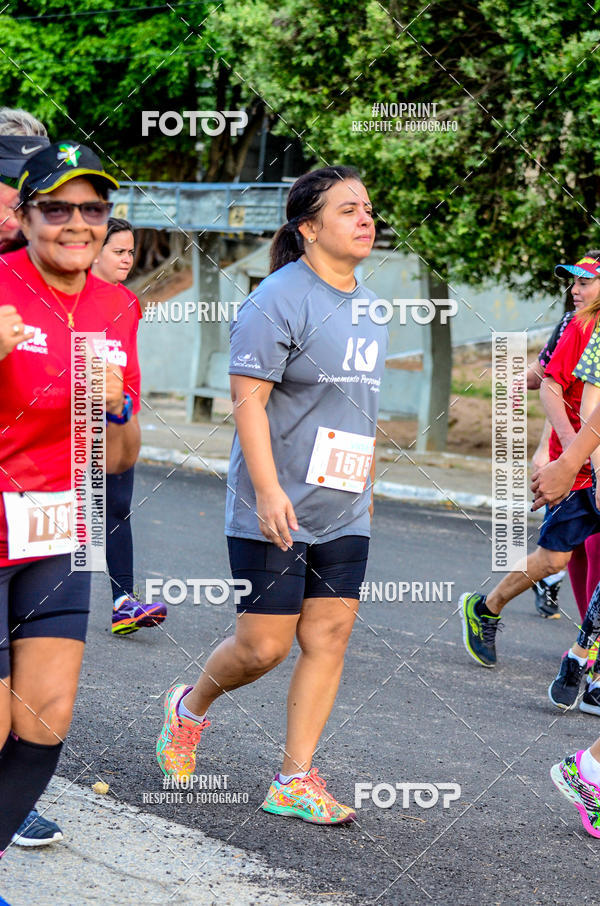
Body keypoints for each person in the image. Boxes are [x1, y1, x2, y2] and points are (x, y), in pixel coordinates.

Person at [156, 165, 387, 824]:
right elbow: (248, 404)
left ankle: (294, 777)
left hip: (343, 503)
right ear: (308, 228)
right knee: (264, 647)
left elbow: (360, 406)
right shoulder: (276, 300)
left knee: (331, 637)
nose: (365, 218)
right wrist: (264, 489)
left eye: (367, 207)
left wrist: (365, 481)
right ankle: (188, 708)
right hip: (275, 503)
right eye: (348, 210)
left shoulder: (371, 306)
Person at [0, 141, 141, 857]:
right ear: (24, 216)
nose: (77, 222)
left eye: (93, 208)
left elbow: (123, 444)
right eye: (57, 208)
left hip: (61, 531)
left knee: (45, 717)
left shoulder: (119, 306)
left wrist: (117, 407)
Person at [460, 253, 600, 668]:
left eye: (584, 283)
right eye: (572, 283)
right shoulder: (578, 326)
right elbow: (550, 385)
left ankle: (585, 656)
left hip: (586, 459)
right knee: (556, 558)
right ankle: (486, 606)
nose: (574, 290)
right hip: (575, 462)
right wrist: (565, 453)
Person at [92, 218, 167, 635]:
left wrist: (129, 412)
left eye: (130, 251)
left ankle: (124, 603)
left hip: (115, 419)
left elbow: (129, 366)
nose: (127, 258)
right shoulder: (70, 296)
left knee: (116, 508)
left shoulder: (128, 302)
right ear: (94, 251)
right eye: (118, 251)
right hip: (65, 420)